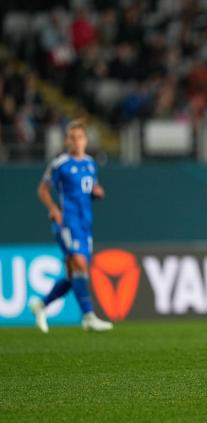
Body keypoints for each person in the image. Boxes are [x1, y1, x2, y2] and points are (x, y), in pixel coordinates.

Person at [29, 119, 113, 333]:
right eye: (72, 138)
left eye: (80, 137)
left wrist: (96, 192)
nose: (76, 141)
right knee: (80, 264)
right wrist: (54, 209)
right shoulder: (61, 164)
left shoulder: (91, 164)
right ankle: (88, 317)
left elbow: (87, 189)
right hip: (67, 222)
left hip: (85, 223)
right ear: (67, 140)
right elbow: (42, 190)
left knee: (73, 275)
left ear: (86, 140)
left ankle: (41, 305)